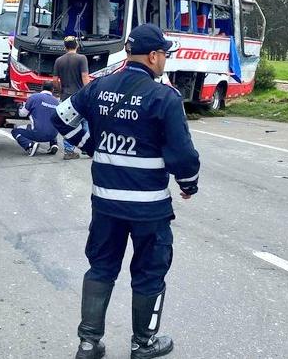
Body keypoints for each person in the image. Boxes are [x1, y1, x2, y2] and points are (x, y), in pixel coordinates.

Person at [52, 23, 199, 359]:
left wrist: (89, 145)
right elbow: (183, 154)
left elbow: (60, 119)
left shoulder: (99, 87)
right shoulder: (164, 97)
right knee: (149, 272)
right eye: (164, 55)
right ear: (153, 56)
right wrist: (188, 183)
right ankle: (143, 343)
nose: (165, 60)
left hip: (105, 204)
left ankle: (88, 343)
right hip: (149, 209)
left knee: (101, 267)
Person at [53, 36, 90, 160]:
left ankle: (69, 151)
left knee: (68, 124)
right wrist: (89, 93)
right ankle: (86, 148)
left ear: (65, 47)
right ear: (77, 45)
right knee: (84, 121)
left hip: (65, 97)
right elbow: (85, 77)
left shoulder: (59, 60)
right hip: (79, 96)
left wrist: (60, 90)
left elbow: (54, 80)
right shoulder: (82, 58)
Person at [11, 81, 61, 156]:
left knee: (15, 131)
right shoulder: (57, 102)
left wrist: (19, 106)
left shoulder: (34, 97)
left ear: (41, 88)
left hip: (38, 133)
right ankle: (54, 144)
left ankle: (30, 145)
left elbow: (22, 114)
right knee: (50, 124)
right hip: (53, 135)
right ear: (53, 90)